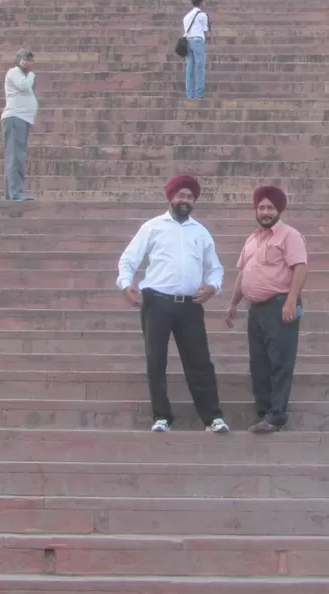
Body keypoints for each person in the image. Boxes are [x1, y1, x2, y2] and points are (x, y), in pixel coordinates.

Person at [116, 174, 229, 434]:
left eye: (190, 197)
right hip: (157, 302)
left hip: (190, 304)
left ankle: (212, 417)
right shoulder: (152, 227)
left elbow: (215, 268)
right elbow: (128, 260)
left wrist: (212, 286)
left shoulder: (200, 232)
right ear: (171, 197)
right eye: (181, 195)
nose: (185, 200)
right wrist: (126, 284)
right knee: (156, 359)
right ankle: (162, 416)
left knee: (199, 361)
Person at [225, 185, 309, 434]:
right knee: (258, 363)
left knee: (280, 361)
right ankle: (263, 413)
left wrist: (291, 300)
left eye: (270, 207)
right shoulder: (252, 239)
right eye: (261, 207)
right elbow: (243, 274)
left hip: (280, 306)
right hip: (256, 310)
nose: (265, 211)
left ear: (278, 210)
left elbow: (300, 267)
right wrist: (233, 303)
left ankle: (277, 416)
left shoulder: (289, 235)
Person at [1, 49, 37, 201]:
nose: (30, 63)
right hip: (16, 118)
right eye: (27, 59)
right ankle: (16, 193)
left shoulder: (21, 75)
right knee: (16, 157)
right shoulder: (15, 72)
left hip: (20, 118)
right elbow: (24, 87)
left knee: (15, 156)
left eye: (31, 59)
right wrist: (31, 74)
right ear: (20, 61)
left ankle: (12, 194)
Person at [183, 0, 209, 100]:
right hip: (197, 41)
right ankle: (199, 94)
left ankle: (189, 94)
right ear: (201, 2)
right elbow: (205, 29)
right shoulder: (202, 15)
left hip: (188, 42)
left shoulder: (186, 16)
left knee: (189, 69)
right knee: (200, 68)